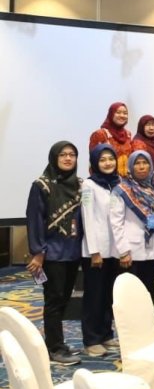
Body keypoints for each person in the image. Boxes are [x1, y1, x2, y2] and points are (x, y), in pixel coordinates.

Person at [26, 141, 83, 365]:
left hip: (73, 252)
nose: (68, 158)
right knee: (54, 300)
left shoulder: (80, 185)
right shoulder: (41, 185)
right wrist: (38, 252)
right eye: (63, 155)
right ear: (54, 158)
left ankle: (56, 342)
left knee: (64, 300)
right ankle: (55, 348)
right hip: (52, 254)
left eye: (72, 154)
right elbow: (35, 219)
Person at [78, 144, 121, 357]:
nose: (107, 163)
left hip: (114, 249)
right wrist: (94, 251)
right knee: (94, 296)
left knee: (108, 295)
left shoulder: (118, 183)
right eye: (102, 159)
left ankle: (105, 334)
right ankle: (91, 339)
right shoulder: (89, 185)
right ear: (95, 163)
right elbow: (87, 217)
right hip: (95, 252)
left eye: (110, 159)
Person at [110, 150, 154, 302]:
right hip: (131, 252)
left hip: (153, 249)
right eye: (137, 163)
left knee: (149, 292)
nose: (141, 167)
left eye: (145, 163)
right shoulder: (121, 190)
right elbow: (116, 222)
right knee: (130, 296)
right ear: (130, 167)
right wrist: (123, 251)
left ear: (151, 166)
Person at [89, 102, 132, 175]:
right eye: (118, 112)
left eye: (125, 113)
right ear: (111, 114)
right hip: (106, 178)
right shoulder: (101, 134)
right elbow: (94, 161)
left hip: (125, 179)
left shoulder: (128, 135)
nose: (122, 115)